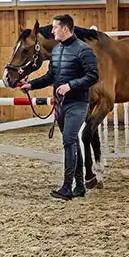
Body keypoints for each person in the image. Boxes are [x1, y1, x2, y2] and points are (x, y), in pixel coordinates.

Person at [20, 15, 99, 200]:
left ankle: (66, 187)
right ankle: (80, 186)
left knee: (68, 141)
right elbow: (50, 76)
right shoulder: (57, 51)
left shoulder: (83, 50)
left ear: (65, 29)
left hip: (78, 103)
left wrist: (71, 85)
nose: (52, 30)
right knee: (72, 142)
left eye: (55, 27)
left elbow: (93, 76)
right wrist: (31, 85)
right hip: (61, 104)